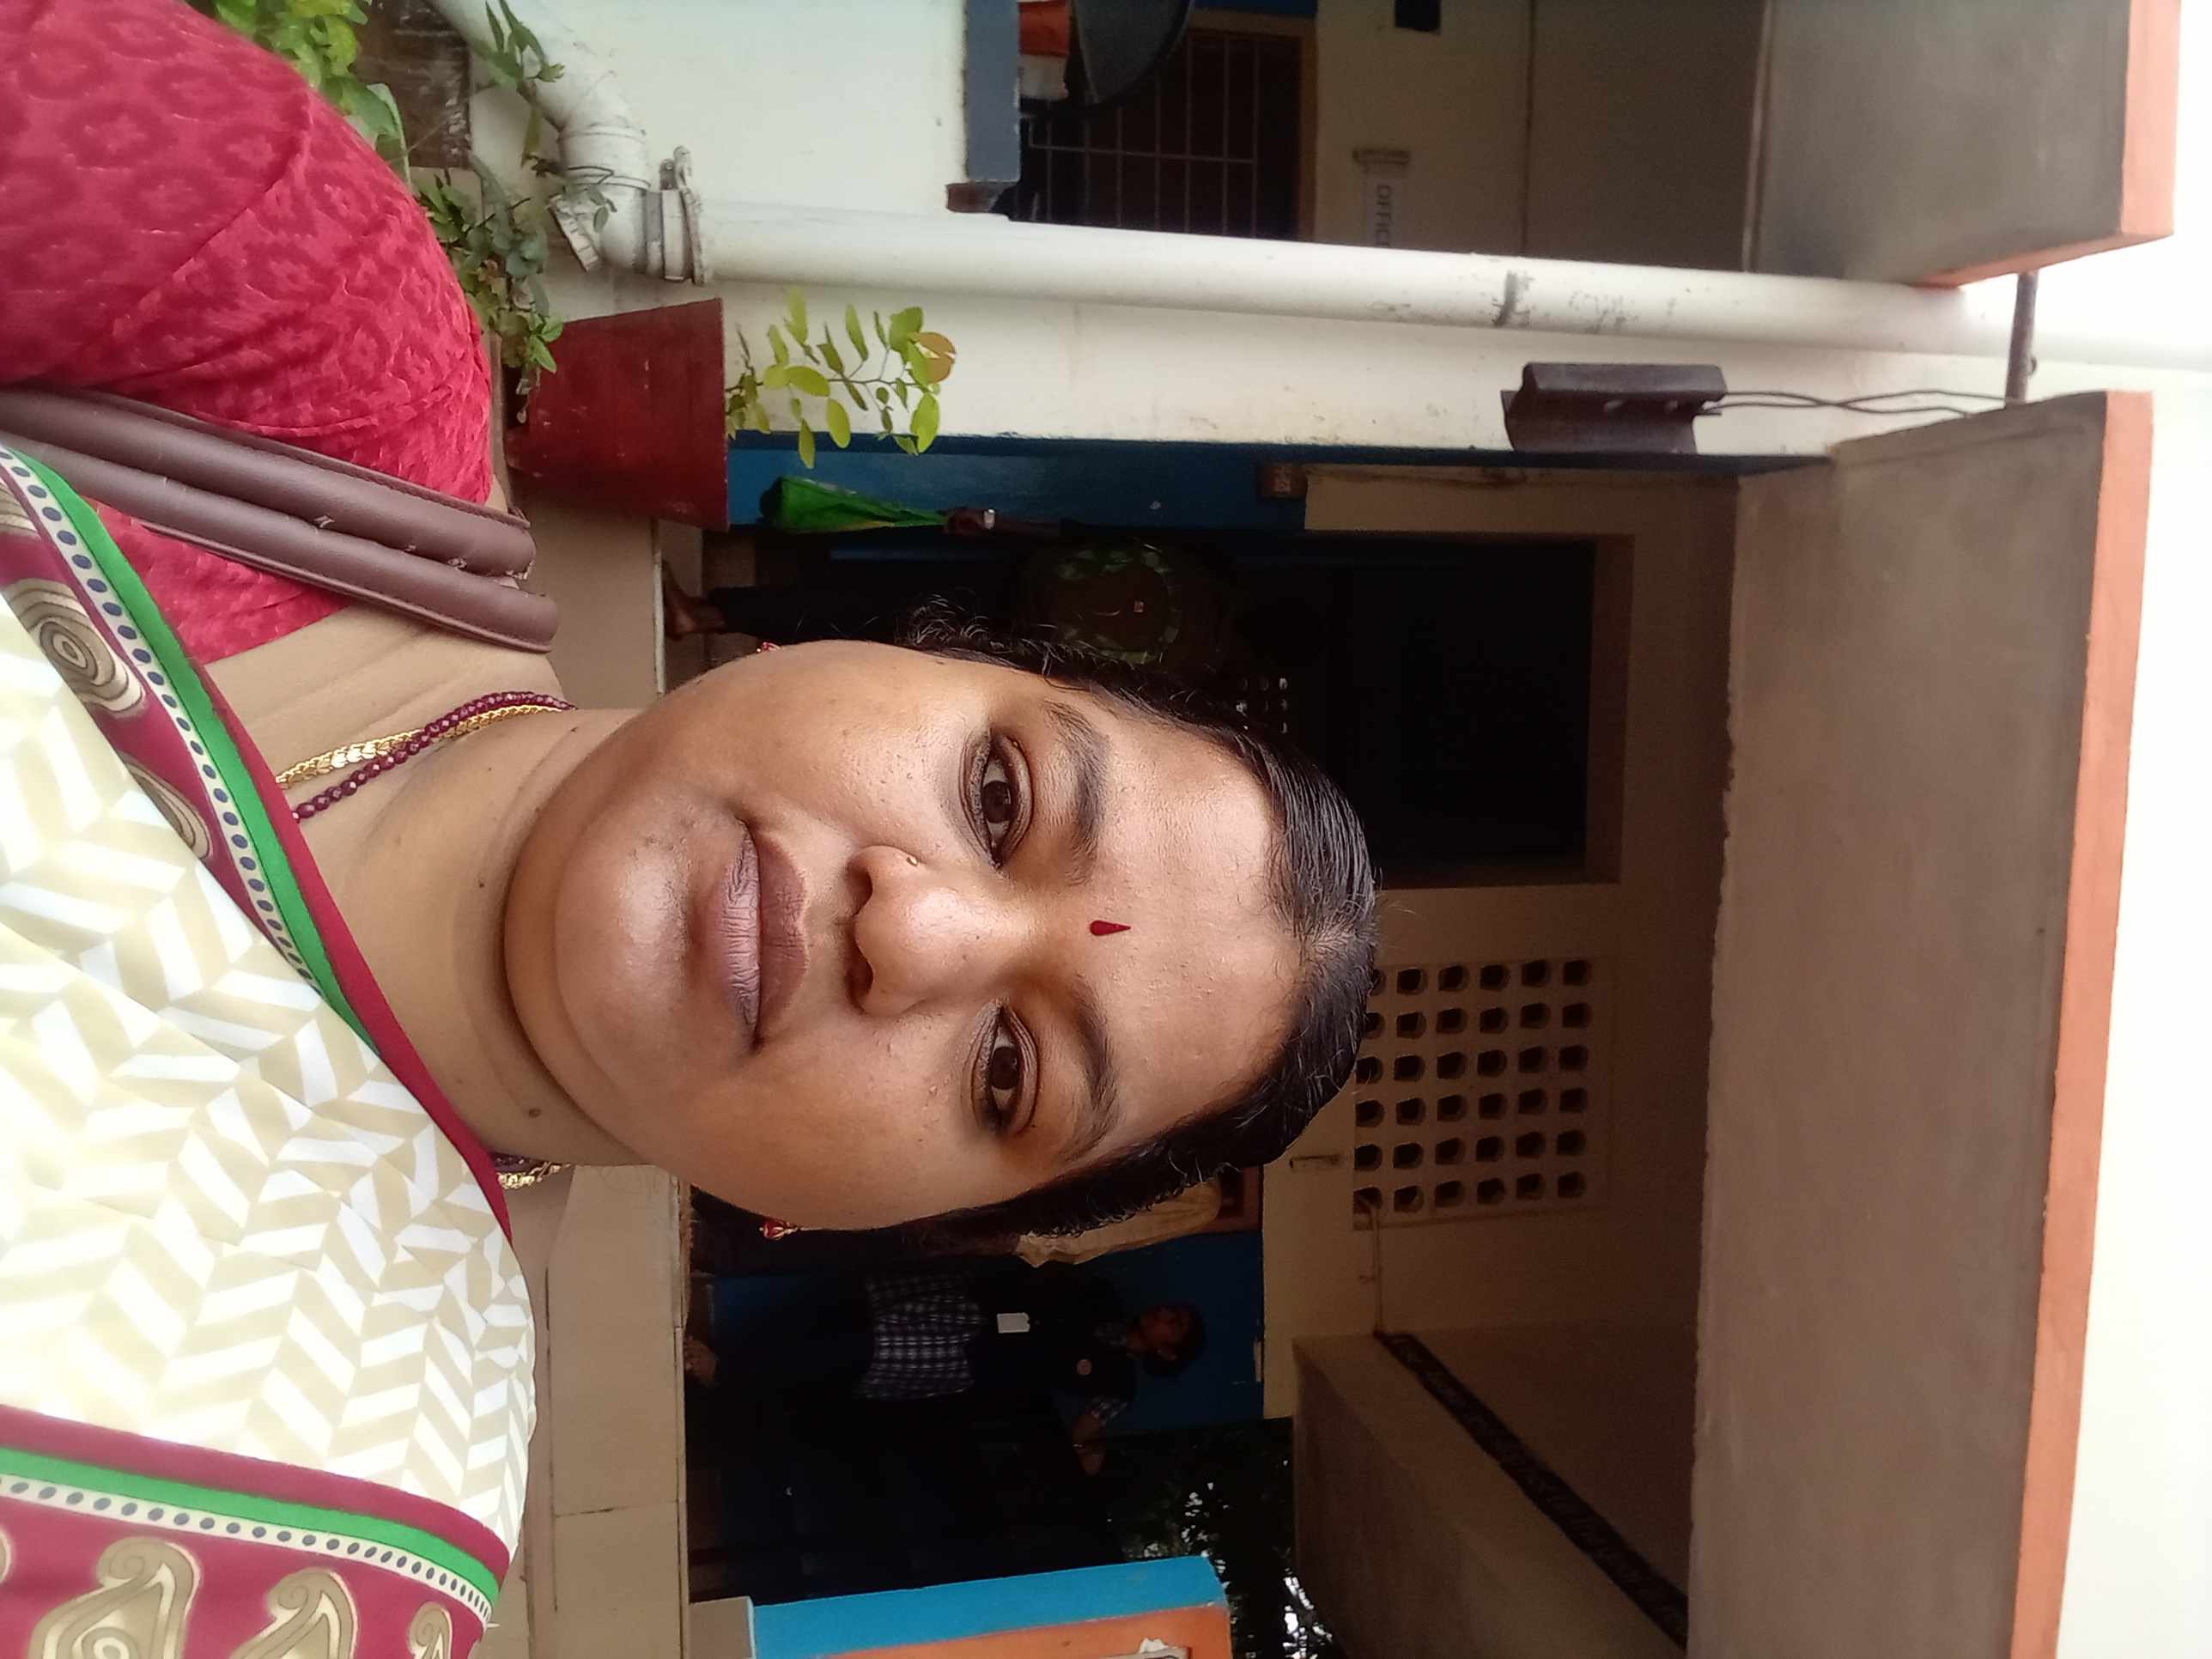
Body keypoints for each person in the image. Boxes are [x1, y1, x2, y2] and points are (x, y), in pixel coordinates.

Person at [0, 3, 1373, 1653]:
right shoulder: (297, 321)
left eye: (1010, 1069)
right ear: (918, 649)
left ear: (909, 1225)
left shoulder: (318, 1540)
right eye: (1000, 797)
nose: (913, 931)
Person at [687, 1267, 1202, 1475]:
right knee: (837, 1320)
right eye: (1170, 1310)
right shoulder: (1103, 1298)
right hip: (963, 1309)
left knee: (851, 1354)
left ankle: (728, 1375)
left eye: (1173, 1324)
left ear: (1167, 1353)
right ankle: (733, 1363)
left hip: (965, 1357)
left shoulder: (1117, 1384)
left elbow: (1083, 1438)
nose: (1162, 1314)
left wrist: (1091, 1452)